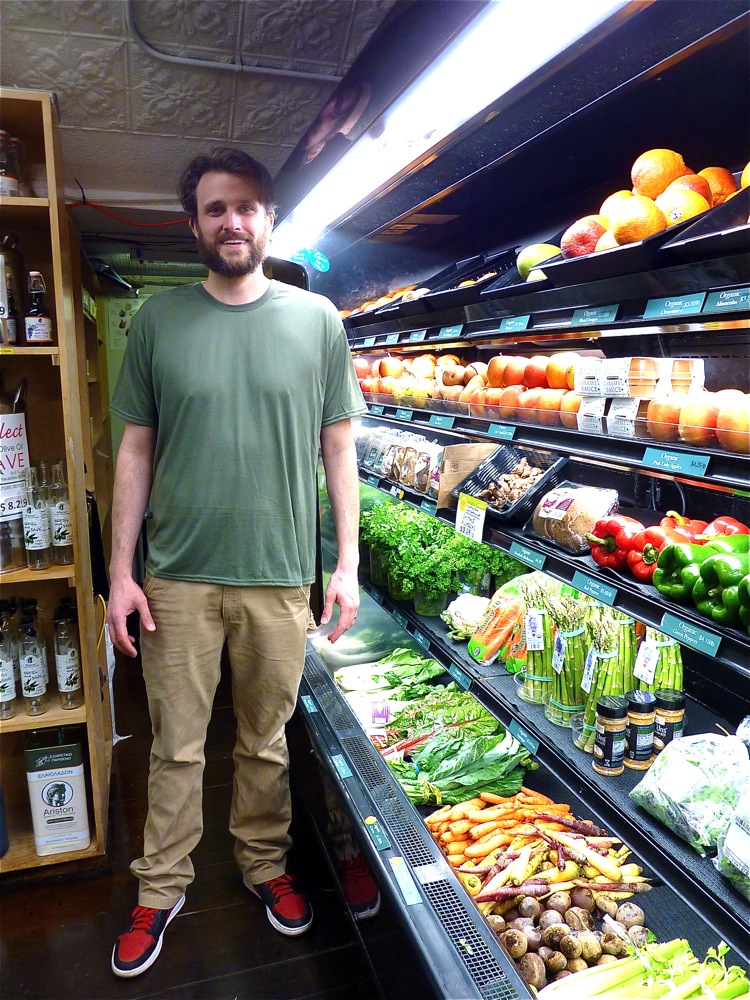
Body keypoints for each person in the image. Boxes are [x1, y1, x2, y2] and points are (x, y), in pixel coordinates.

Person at [107, 147, 367, 978]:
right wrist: (121, 573)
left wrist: (347, 562)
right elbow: (135, 451)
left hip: (281, 573)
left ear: (268, 218)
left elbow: (339, 448)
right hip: (177, 576)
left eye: (247, 206)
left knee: (266, 742)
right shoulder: (156, 320)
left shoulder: (318, 320)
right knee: (175, 745)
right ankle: (161, 886)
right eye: (216, 208)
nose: (233, 221)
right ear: (195, 225)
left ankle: (263, 865)